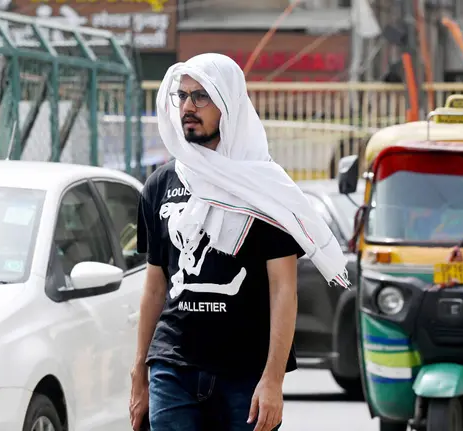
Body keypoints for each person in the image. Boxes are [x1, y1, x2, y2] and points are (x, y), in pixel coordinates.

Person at [129, 53, 350, 431]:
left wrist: (274, 380)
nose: (187, 107)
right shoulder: (160, 185)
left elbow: (284, 290)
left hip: (244, 377)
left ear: (228, 104)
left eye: (201, 96)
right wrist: (140, 372)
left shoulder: (265, 191)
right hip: (172, 366)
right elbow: (154, 287)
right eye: (181, 96)